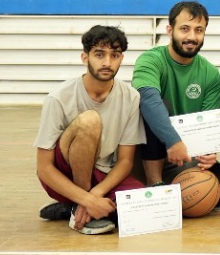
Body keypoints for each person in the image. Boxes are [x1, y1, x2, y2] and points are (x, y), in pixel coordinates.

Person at [34, 25, 145, 235]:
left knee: (143, 208)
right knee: (90, 121)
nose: (107, 62)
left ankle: (73, 207)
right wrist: (87, 199)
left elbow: (125, 161)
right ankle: (79, 205)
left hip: (102, 175)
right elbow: (44, 169)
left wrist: (95, 195)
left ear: (121, 59)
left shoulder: (131, 97)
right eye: (99, 54)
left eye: (114, 55)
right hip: (64, 174)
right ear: (85, 57)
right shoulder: (58, 98)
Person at [131, 0, 220, 211]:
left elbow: (208, 124)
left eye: (199, 30)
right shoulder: (150, 60)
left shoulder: (210, 73)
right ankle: (155, 185)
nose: (192, 37)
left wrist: (208, 152)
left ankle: (170, 192)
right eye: (184, 29)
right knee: (156, 105)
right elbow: (148, 100)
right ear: (170, 30)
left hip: (184, 154)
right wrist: (173, 141)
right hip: (148, 151)